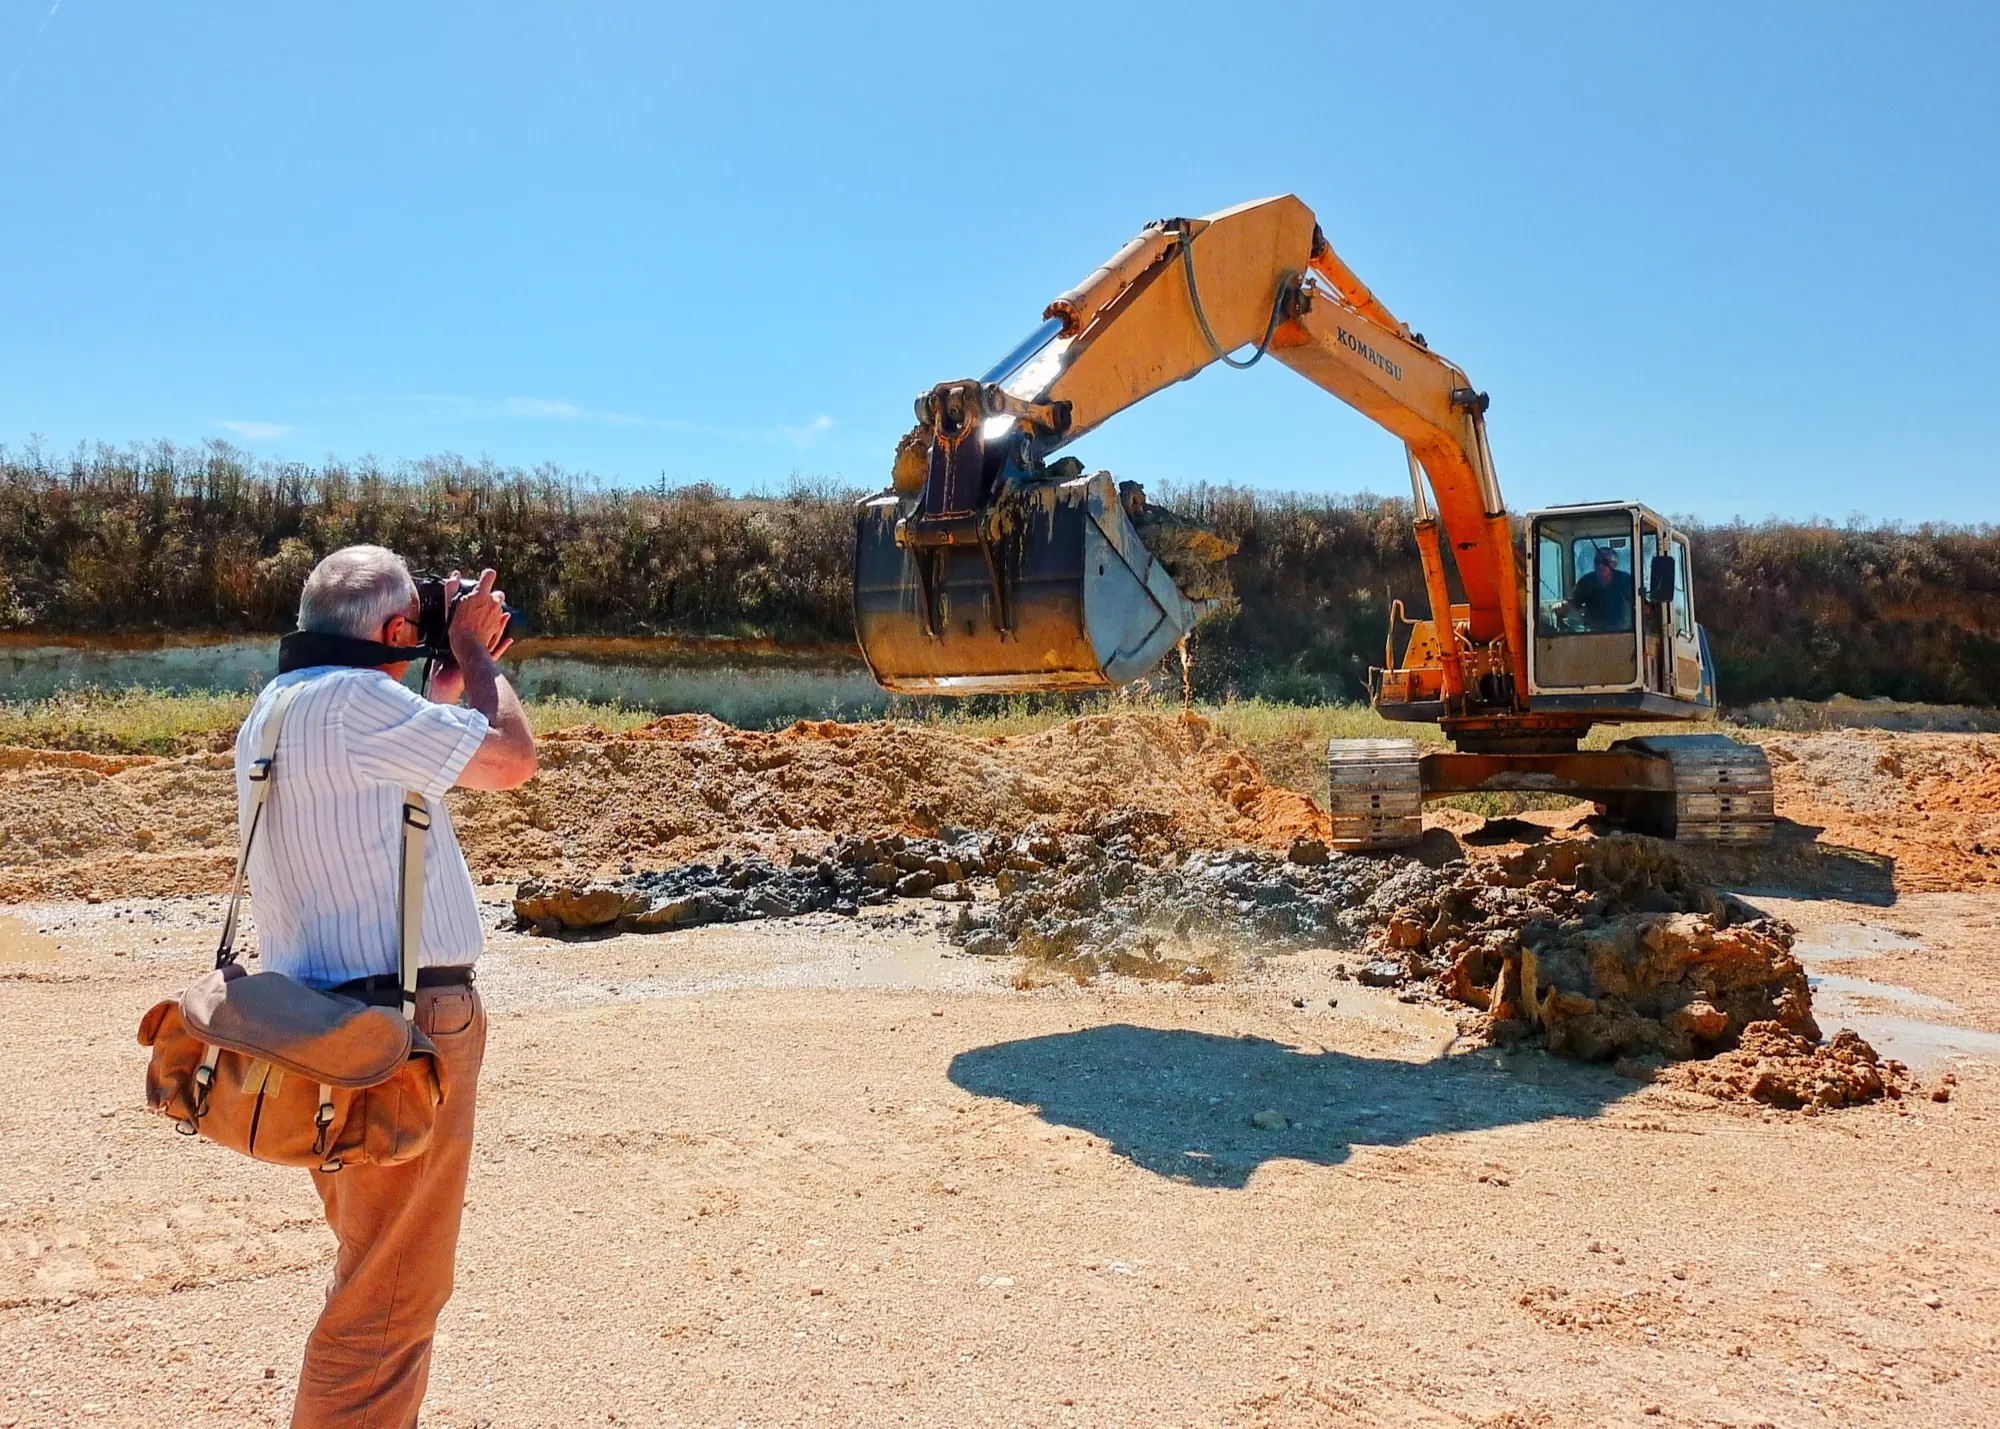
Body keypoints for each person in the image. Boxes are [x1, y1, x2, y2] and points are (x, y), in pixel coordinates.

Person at [234, 544, 536, 1429]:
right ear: (396, 631)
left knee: (372, 1265)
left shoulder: (277, 709)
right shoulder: (361, 704)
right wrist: (475, 652)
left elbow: (392, 765)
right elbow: (512, 757)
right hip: (403, 1035)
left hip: (318, 1030)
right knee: (392, 1298)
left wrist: (434, 679)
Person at [1568, 546, 1633, 632]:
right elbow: (1572, 603)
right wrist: (1563, 606)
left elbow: (1641, 604)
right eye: (1597, 562)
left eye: (1605, 562)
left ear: (1614, 564)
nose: (1600, 565)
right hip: (1592, 636)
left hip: (1625, 635)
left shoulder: (1626, 581)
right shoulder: (1586, 582)